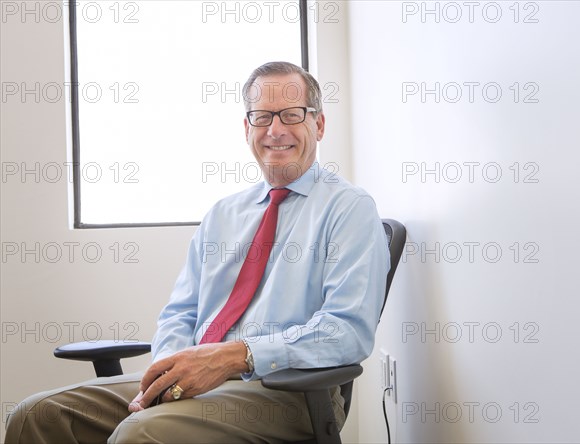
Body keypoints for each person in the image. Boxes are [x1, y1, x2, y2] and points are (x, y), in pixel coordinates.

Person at [5, 61, 390, 443]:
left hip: (285, 391)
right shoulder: (223, 213)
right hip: (196, 384)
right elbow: (181, 312)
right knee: (37, 415)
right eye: (261, 117)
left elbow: (347, 331)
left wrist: (233, 357)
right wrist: (170, 372)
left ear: (318, 124)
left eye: (291, 115)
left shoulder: (349, 209)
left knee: (140, 434)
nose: (275, 130)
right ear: (247, 128)